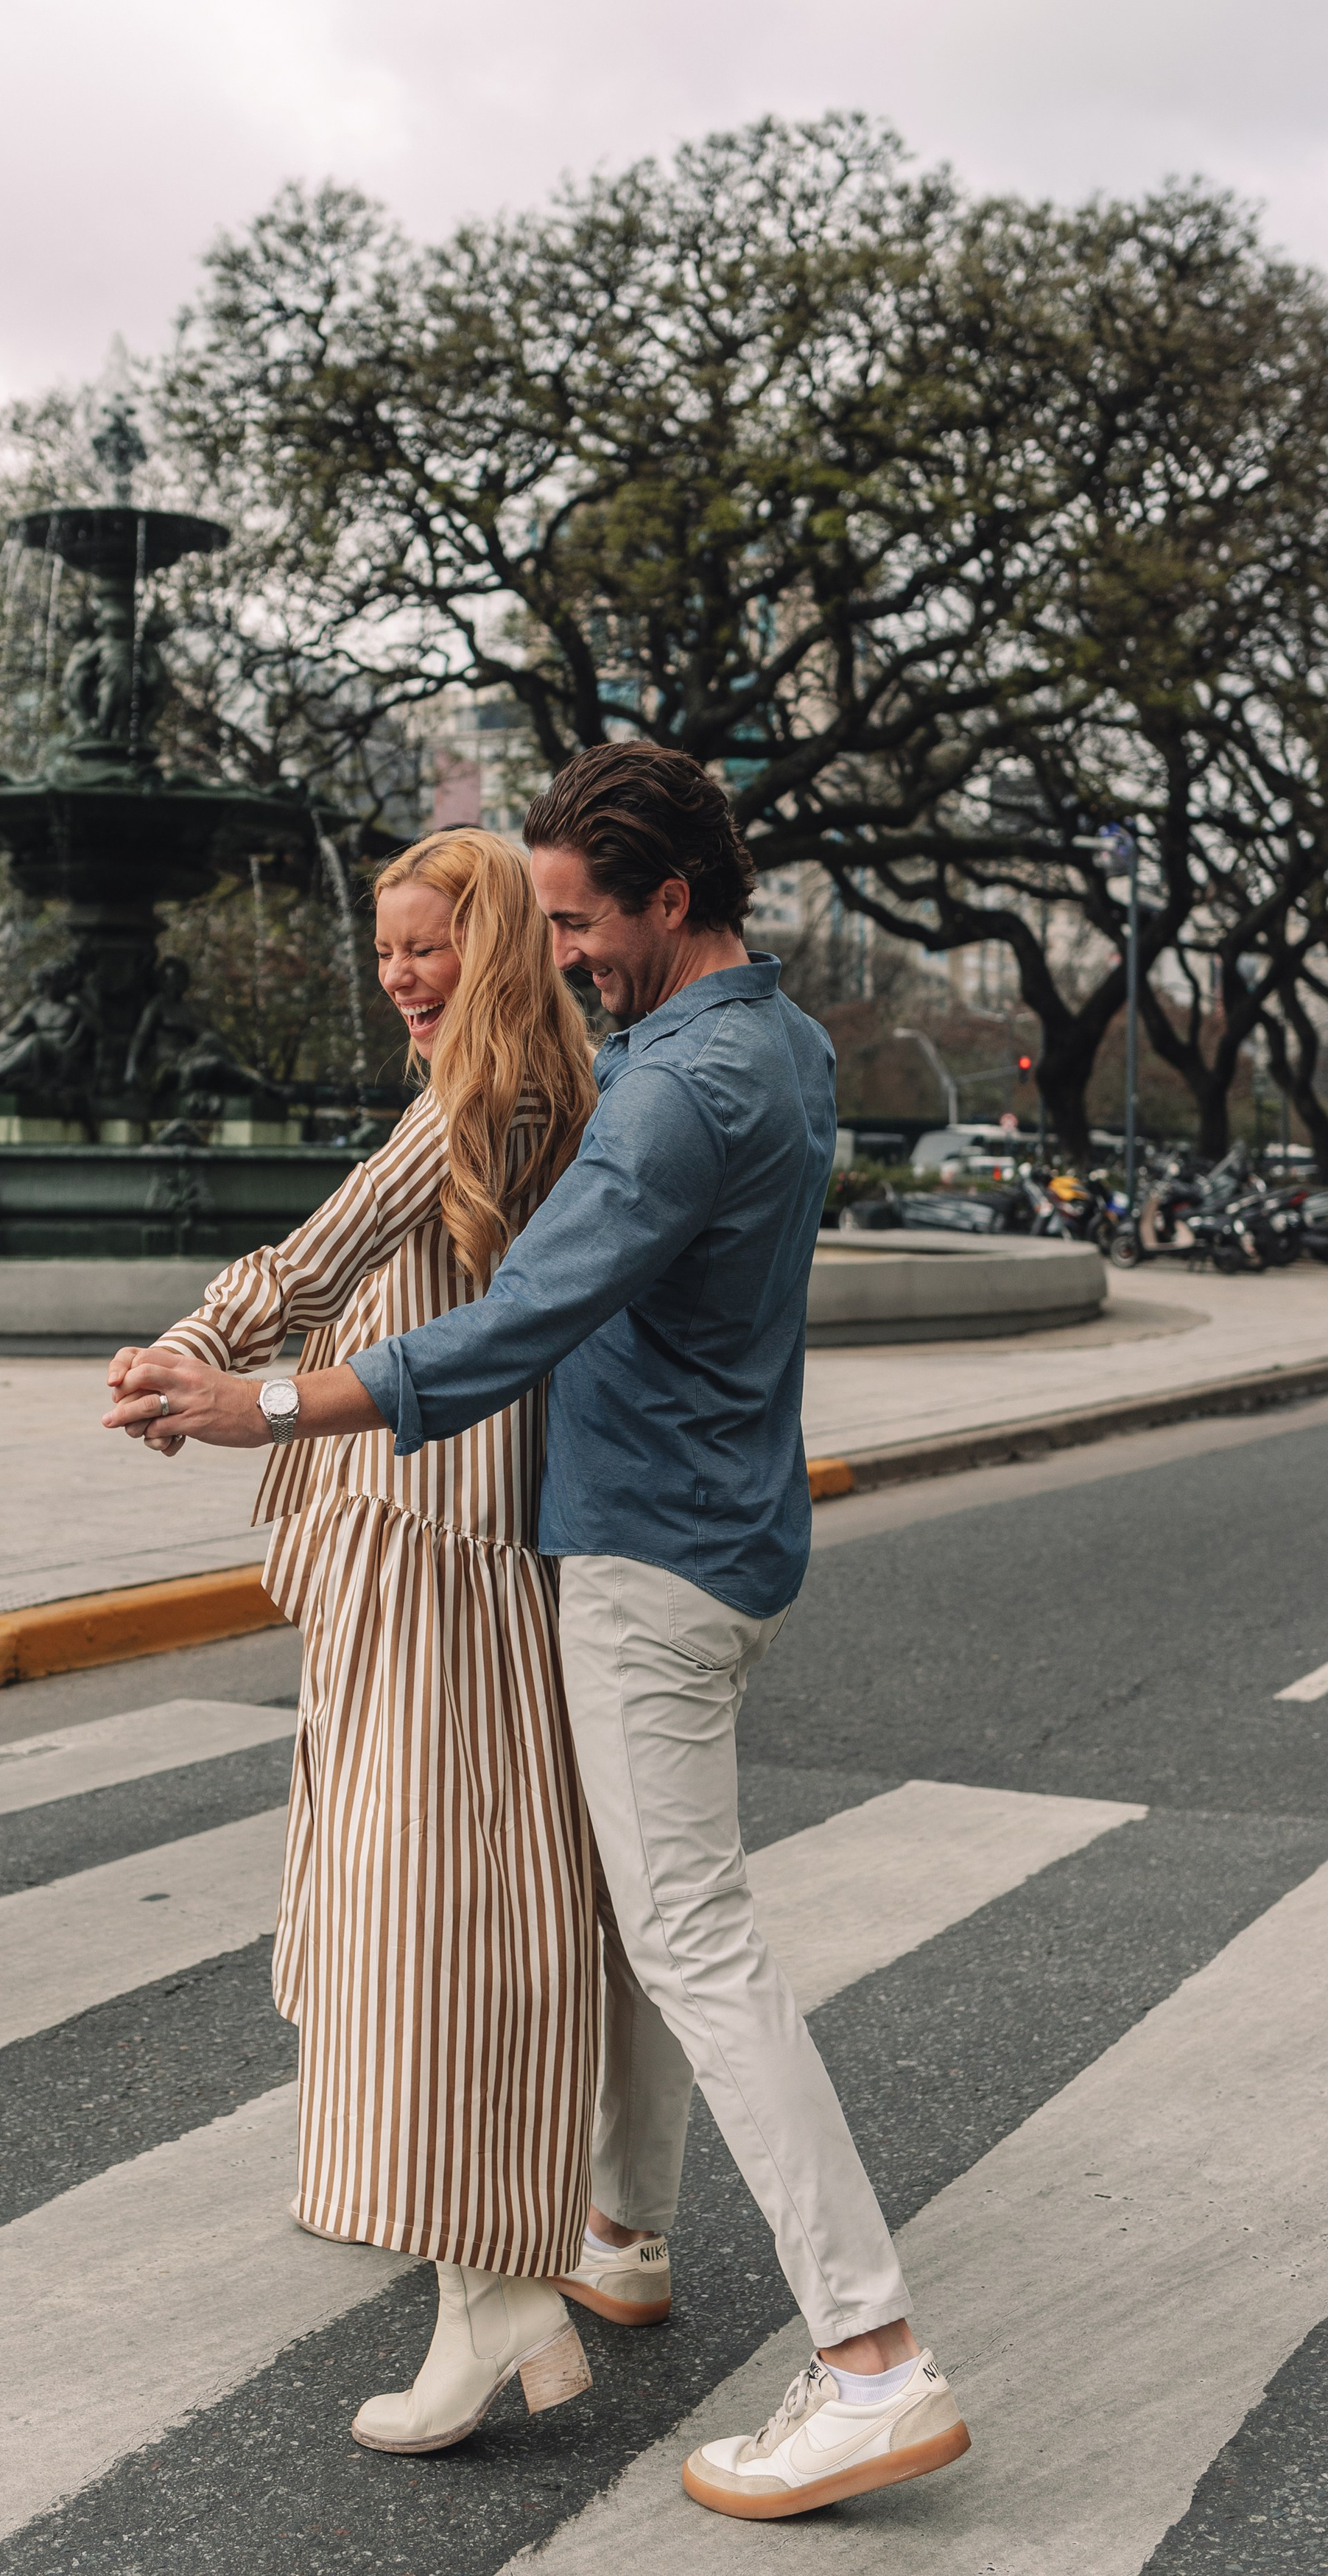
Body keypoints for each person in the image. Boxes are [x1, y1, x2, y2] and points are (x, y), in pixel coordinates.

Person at [108, 748, 972, 2525]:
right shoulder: (775, 1042)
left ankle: (871, 2360)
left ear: (671, 899)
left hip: (644, 1564)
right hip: (721, 1535)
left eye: (579, 921)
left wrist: (256, 1405)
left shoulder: (675, 1094)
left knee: (691, 1941)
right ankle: (621, 2237)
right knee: (646, 1925)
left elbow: (504, 1328)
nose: (561, 951)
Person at [104, 827, 605, 2455]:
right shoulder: (525, 1086)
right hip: (448, 1544)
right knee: (455, 1912)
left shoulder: (483, 1099)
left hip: (437, 1553)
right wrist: (198, 1360)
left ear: (495, 947)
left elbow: (313, 1257)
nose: (399, 975)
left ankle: (496, 2290)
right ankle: (519, 2262)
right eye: (384, 949)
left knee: (424, 1926)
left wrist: (196, 1359)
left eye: (427, 946)